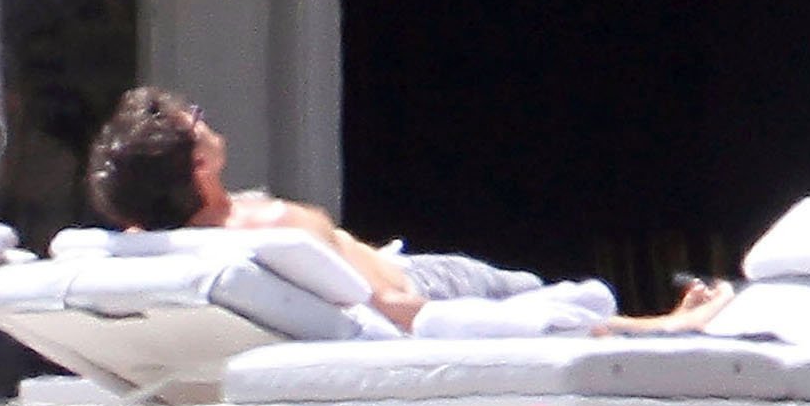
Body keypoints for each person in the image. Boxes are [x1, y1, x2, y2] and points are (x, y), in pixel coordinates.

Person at [85, 85, 734, 334]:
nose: (206, 119)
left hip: (413, 274)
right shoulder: (271, 229)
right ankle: (664, 328)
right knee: (545, 299)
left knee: (549, 294)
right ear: (198, 166)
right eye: (196, 120)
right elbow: (395, 309)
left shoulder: (174, 237)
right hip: (433, 289)